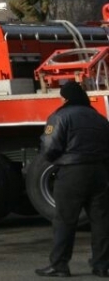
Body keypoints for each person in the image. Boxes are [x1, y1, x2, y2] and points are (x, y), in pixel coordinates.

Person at [35, 80, 109, 278]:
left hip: (72, 174)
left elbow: (50, 147)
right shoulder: (99, 118)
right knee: (101, 221)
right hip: (99, 173)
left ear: (66, 98)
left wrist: (54, 161)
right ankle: (102, 265)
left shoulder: (60, 116)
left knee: (65, 221)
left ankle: (59, 265)